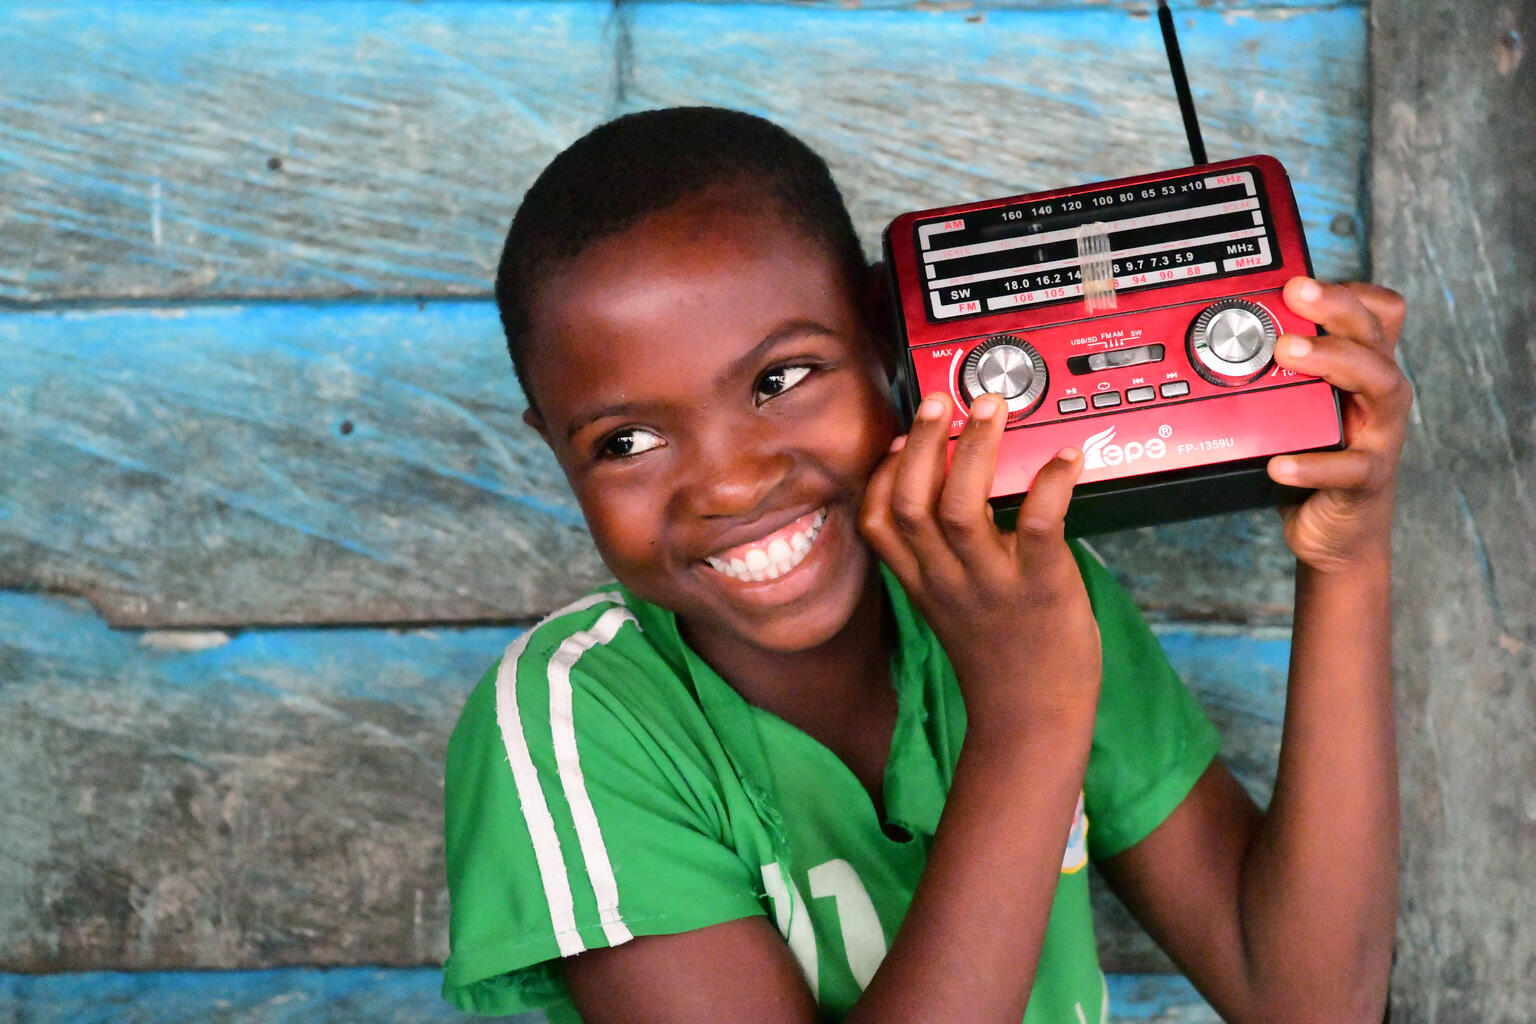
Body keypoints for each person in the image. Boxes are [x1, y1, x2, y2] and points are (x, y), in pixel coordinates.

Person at [442, 107, 1409, 1024]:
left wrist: (1348, 557)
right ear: (553, 448)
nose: (730, 485)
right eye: (626, 442)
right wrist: (1028, 716)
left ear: (887, 336)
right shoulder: (576, 719)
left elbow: (1308, 1001)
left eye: (781, 380)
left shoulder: (1021, 588)